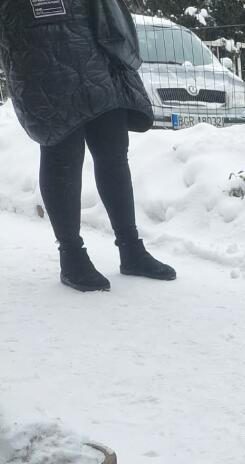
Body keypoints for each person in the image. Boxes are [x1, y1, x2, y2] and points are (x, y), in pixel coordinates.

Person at [0, 0, 175, 292]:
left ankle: (131, 248)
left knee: (114, 151)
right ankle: (71, 255)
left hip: (97, 40)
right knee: (63, 152)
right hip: (42, 45)